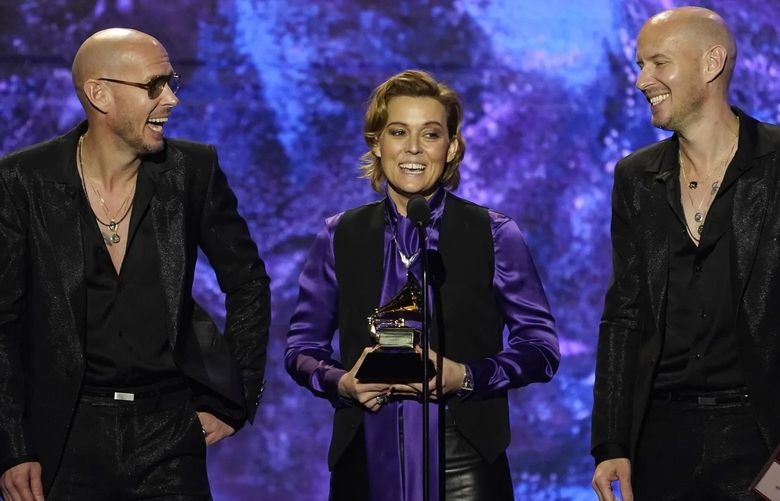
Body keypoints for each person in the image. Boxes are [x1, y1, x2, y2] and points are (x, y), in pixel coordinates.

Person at [0, 28, 270, 500]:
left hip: (168, 432)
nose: (171, 100)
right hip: (64, 434)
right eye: (153, 85)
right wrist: (13, 446)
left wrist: (235, 398)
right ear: (99, 94)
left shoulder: (192, 171)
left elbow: (247, 283)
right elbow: (3, 321)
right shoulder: (23, 181)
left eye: (171, 83)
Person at [285, 69, 559, 501]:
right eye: (398, 132)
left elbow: (541, 349)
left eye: (430, 134)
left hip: (463, 456)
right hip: (364, 449)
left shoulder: (494, 233)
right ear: (377, 142)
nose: (413, 148)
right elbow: (301, 346)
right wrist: (340, 382)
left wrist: (466, 377)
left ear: (450, 148)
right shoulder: (340, 234)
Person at [591, 6, 780, 501]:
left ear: (711, 62)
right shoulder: (635, 178)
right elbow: (625, 315)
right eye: (639, 65)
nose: (641, 81)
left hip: (761, 437)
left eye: (657, 62)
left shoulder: (778, 164)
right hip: (661, 437)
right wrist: (611, 442)